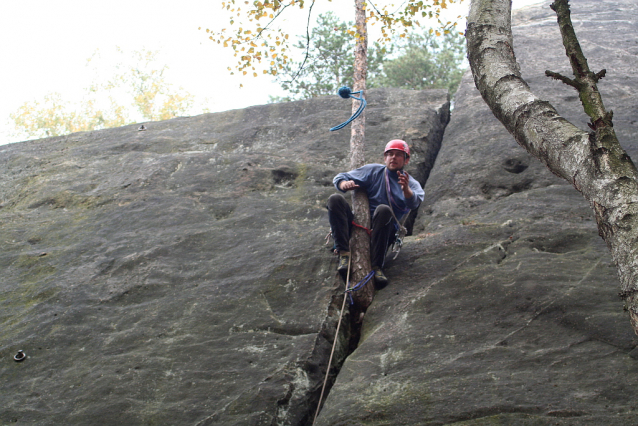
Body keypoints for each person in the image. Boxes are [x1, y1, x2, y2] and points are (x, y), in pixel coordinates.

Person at [327, 139, 424, 286]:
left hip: (385, 229)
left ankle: (376, 266)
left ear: (406, 160)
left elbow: (414, 203)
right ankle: (343, 253)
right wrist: (343, 184)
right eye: (390, 154)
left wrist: (406, 190)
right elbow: (340, 177)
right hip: (358, 223)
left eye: (398, 155)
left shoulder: (411, 183)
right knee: (335, 200)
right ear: (385, 157)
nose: (393, 157)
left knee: (384, 209)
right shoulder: (373, 171)